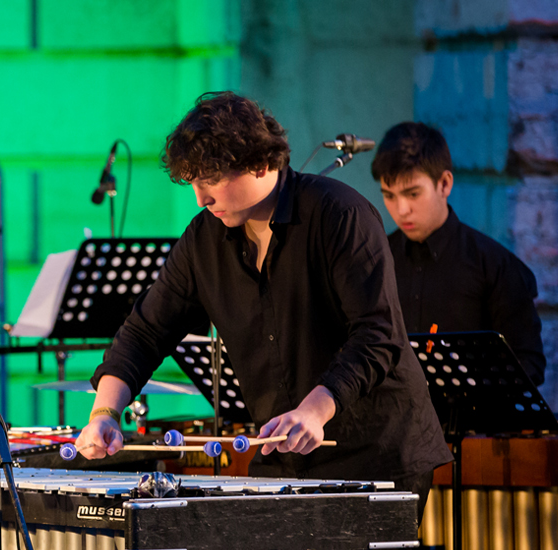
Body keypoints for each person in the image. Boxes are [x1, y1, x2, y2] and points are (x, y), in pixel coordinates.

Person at [73, 92, 451, 520]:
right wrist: (104, 411)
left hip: (375, 454)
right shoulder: (203, 241)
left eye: (210, 180)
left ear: (260, 163)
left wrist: (314, 410)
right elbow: (145, 331)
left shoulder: (340, 215)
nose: (200, 198)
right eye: (192, 183)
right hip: (284, 459)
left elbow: (377, 336)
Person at [372, 122, 545, 385]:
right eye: (389, 195)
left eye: (413, 193)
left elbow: (528, 363)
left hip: (473, 421)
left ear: (444, 184)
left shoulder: (495, 265)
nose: (401, 209)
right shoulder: (378, 259)